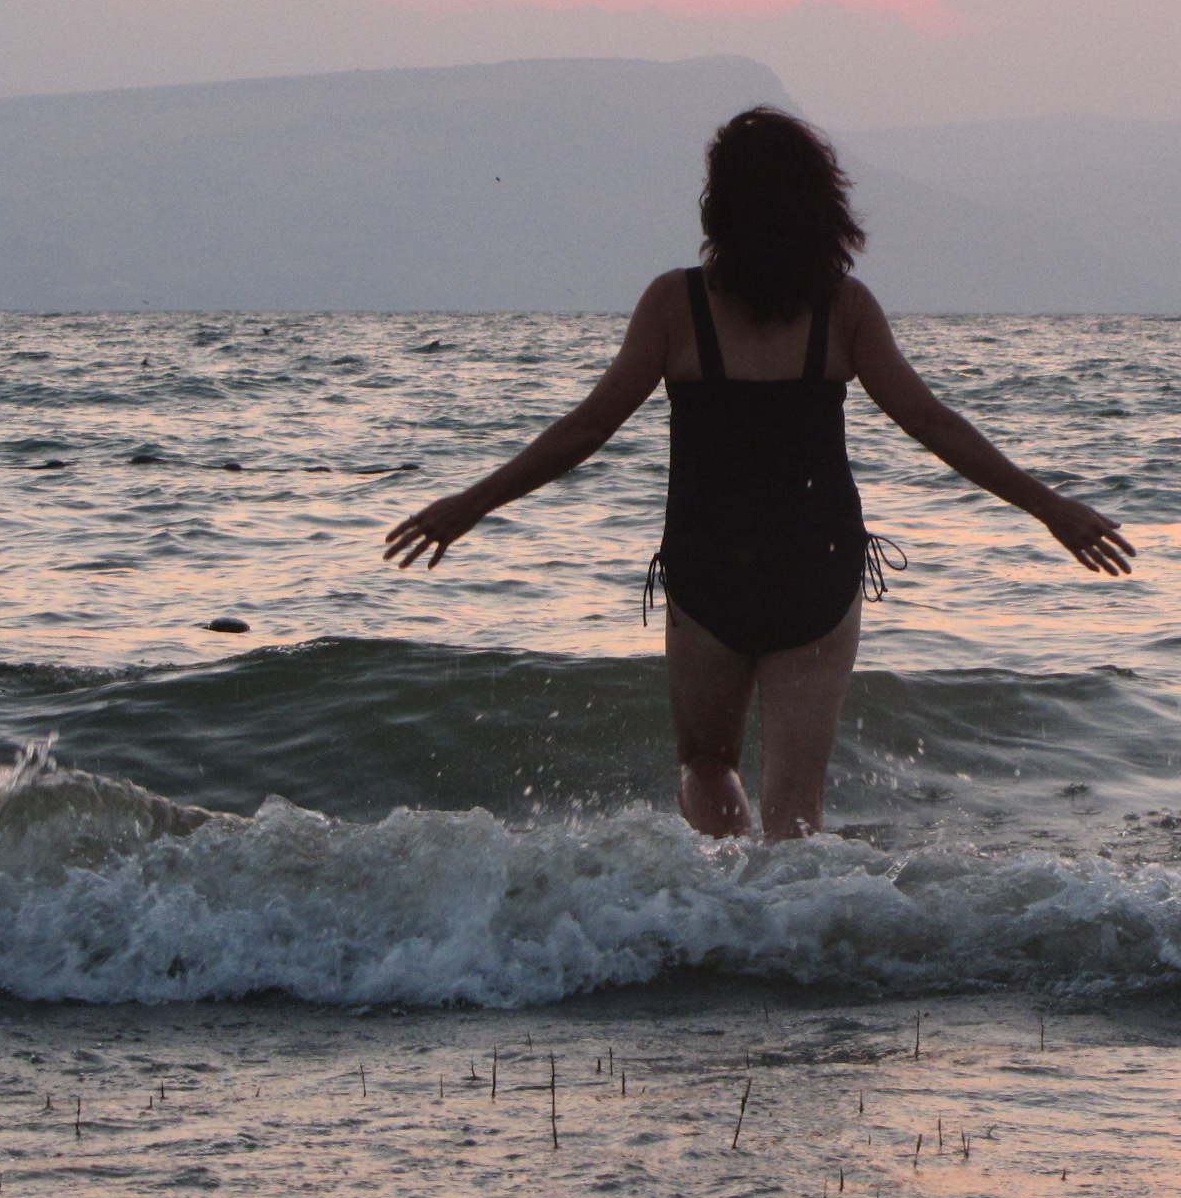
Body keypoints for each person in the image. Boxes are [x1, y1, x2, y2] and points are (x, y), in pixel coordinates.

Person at [383, 106, 1132, 840]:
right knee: (799, 805)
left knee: (707, 765)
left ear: (720, 206)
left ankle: (728, 918)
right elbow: (934, 425)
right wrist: (1050, 507)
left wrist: (472, 503)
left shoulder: (676, 305)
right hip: (816, 564)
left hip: (711, 566)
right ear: (820, 203)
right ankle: (783, 933)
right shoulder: (844, 310)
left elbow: (588, 427)